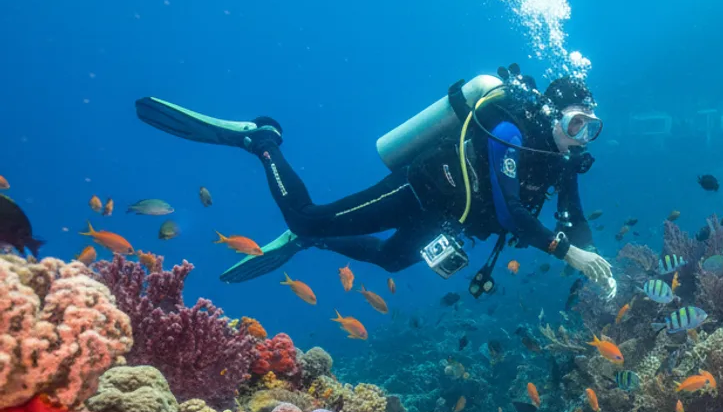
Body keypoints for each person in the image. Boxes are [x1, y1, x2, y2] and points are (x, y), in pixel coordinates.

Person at [134, 65, 616, 298]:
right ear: (553, 114)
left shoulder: (560, 159)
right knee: (306, 216)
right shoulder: (511, 128)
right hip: (422, 188)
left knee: (390, 259)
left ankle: (308, 244)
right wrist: (566, 253)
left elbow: (572, 219)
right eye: (576, 124)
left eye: (589, 128)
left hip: (447, 214)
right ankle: (260, 140)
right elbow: (511, 212)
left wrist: (594, 260)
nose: (581, 137)